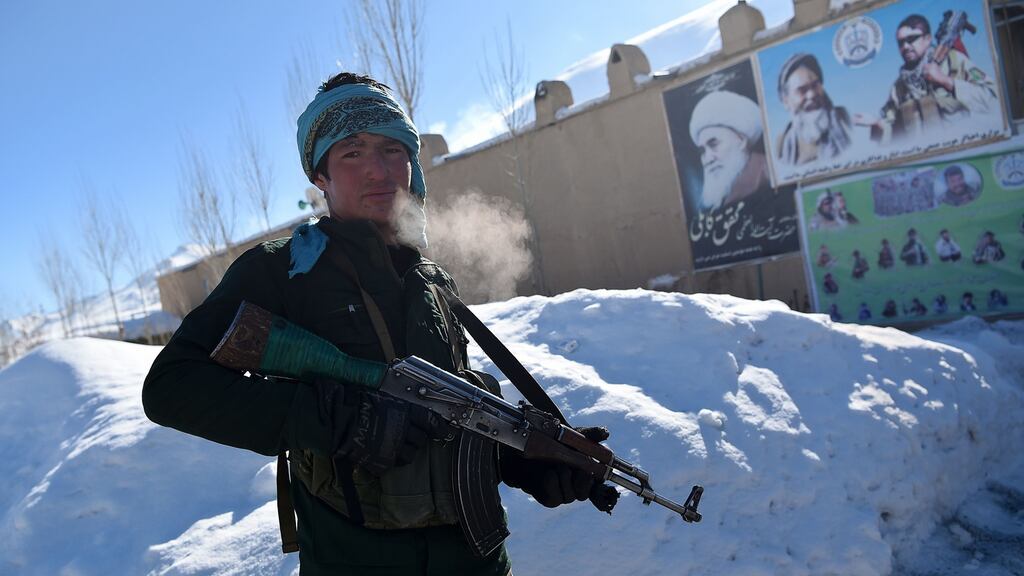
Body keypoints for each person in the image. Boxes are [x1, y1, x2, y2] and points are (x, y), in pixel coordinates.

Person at [142, 73, 603, 575]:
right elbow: (171, 386)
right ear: (320, 175)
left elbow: (450, 417)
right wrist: (332, 420)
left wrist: (525, 462)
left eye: (392, 149)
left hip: (477, 562)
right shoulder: (283, 270)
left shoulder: (431, 280)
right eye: (352, 153)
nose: (379, 172)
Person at [856, 13, 998, 142]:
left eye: (911, 39)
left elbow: (995, 99)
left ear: (928, 39)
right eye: (900, 43)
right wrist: (877, 123)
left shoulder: (953, 61)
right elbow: (895, 131)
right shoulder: (899, 87)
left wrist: (946, 81)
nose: (905, 46)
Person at [688, 90, 771, 210]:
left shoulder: (767, 176)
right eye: (703, 151)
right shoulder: (723, 195)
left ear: (742, 140)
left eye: (714, 144)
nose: (708, 159)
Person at [774, 52, 852, 166]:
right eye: (802, 90)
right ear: (786, 101)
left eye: (815, 85)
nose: (811, 95)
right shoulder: (781, 144)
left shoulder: (845, 119)